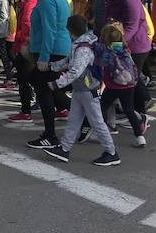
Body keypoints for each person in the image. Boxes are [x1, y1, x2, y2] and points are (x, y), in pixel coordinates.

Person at [42, 16, 120, 167]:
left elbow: (75, 70)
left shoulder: (82, 47)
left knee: (97, 122)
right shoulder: (83, 43)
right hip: (83, 88)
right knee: (75, 120)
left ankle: (112, 153)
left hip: (87, 89)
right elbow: (69, 62)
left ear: (70, 30)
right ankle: (64, 149)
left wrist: (57, 83)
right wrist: (51, 66)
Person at [26, 0, 72, 150]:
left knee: (43, 89)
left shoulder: (46, 0)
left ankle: (50, 135)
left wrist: (44, 58)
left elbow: (49, 30)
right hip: (57, 47)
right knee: (52, 89)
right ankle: (86, 119)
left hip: (51, 50)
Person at [102, 0, 152, 113]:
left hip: (136, 45)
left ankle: (140, 112)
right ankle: (137, 106)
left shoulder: (130, 1)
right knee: (130, 78)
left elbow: (131, 27)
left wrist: (117, 45)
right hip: (122, 43)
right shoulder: (111, 0)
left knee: (130, 79)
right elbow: (108, 19)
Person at [96, 22, 149, 148]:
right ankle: (140, 136)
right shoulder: (125, 49)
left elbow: (101, 65)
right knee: (129, 110)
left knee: (102, 106)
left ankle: (103, 132)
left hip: (113, 86)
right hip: (128, 85)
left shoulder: (107, 52)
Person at [9, 0, 38, 122]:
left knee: (24, 79)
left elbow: (27, 26)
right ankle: (62, 108)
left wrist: (18, 39)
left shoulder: (30, 5)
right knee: (35, 79)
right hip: (29, 45)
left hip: (27, 46)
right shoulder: (33, 4)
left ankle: (25, 111)